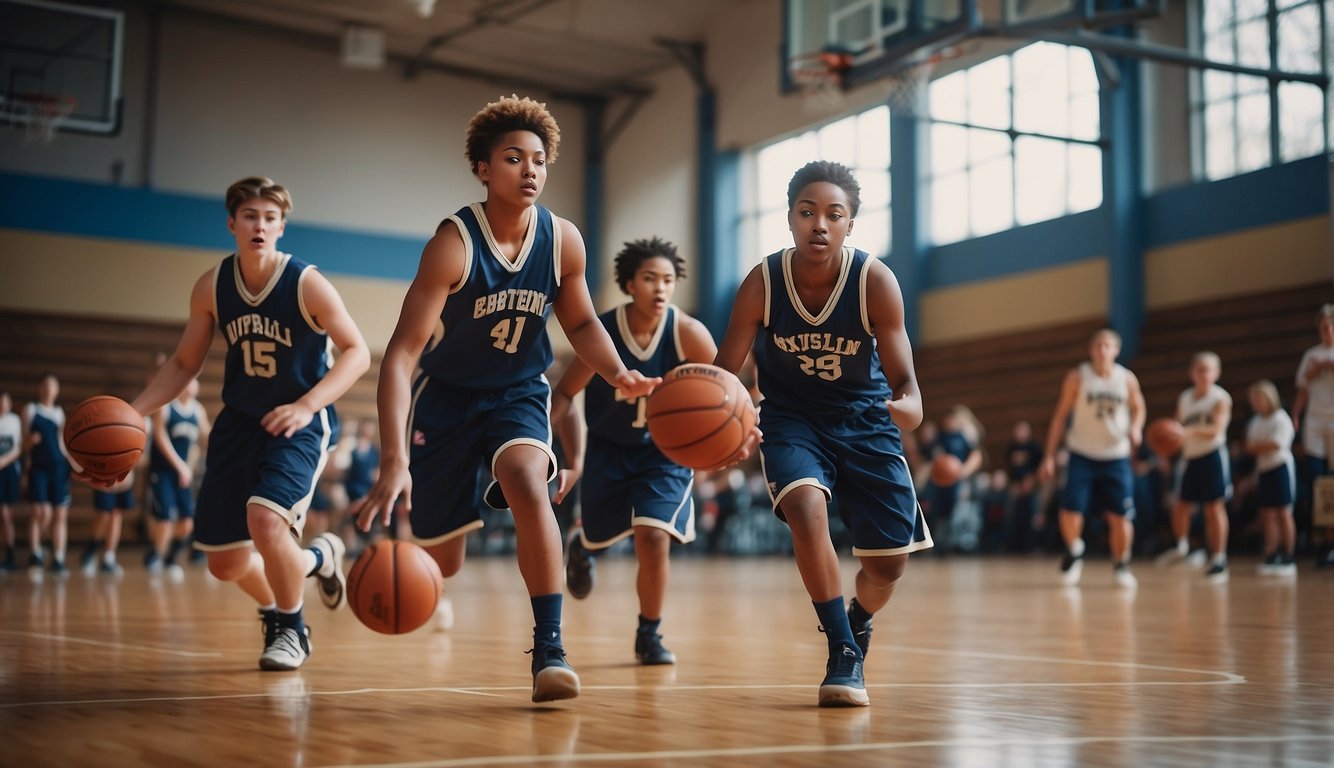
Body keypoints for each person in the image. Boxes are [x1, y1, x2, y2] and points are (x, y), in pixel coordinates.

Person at [355, 95, 658, 703]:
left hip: (518, 393)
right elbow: (400, 356)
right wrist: (393, 458)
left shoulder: (562, 240)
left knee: (526, 478)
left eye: (539, 160)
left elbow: (580, 325)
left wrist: (618, 372)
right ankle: (364, 560)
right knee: (442, 562)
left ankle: (550, 649)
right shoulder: (453, 243)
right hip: (444, 401)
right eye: (514, 158)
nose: (530, 170)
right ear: (483, 169)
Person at [108, 176, 369, 671]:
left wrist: (308, 405)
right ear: (232, 223)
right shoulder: (213, 285)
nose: (260, 225)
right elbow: (185, 364)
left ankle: (292, 630)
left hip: (299, 424)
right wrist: (132, 412)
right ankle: (316, 562)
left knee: (266, 522)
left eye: (270, 218)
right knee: (224, 562)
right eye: (250, 216)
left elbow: (356, 353)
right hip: (239, 423)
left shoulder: (305, 282)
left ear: (282, 227)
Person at [712, 160, 928, 708]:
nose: (820, 225)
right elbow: (723, 376)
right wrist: (719, 426)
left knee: (887, 568)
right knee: (806, 508)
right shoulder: (762, 283)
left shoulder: (874, 281)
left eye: (834, 214)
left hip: (865, 422)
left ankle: (858, 619)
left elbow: (909, 388)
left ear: (850, 225)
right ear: (789, 219)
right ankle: (842, 651)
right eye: (807, 212)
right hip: (790, 421)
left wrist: (905, 408)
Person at [551, 236, 717, 666]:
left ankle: (649, 633)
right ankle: (583, 550)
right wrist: (574, 459)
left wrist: (728, 436)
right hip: (609, 449)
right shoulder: (601, 332)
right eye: (649, 279)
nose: (660, 288)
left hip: (665, 454)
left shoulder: (689, 334)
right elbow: (564, 397)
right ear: (629, 284)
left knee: (654, 537)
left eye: (668, 280)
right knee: (600, 534)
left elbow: (727, 390)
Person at [1039, 329, 1146, 589]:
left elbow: (1139, 407)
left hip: (1116, 455)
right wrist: (1049, 456)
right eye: (1097, 345)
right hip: (1081, 453)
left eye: (1107, 346)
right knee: (1070, 510)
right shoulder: (1078, 377)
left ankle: (1121, 565)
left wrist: (1137, 427)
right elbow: (1060, 417)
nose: (1102, 350)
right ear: (1091, 350)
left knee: (1121, 516)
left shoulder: (1126, 379)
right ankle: (1075, 549)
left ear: (1116, 350)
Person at [1160, 352, 1233, 582]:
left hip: (1212, 456)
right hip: (1191, 458)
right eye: (1199, 369)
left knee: (1213, 508)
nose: (1203, 374)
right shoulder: (1185, 398)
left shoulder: (1220, 398)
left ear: (1217, 373)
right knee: (1181, 506)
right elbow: (1174, 427)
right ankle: (1181, 547)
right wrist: (1165, 445)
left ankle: (1219, 558)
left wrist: (1186, 432)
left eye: (1208, 369)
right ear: (1192, 373)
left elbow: (1216, 430)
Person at [146, 377, 210, 577]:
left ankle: (170, 558)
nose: (193, 384)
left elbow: (206, 439)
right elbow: (159, 437)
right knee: (165, 517)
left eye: (196, 381)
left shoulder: (198, 410)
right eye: (189, 380)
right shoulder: (166, 407)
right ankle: (155, 555)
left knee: (187, 522)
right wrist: (180, 466)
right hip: (163, 471)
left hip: (183, 473)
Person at [1292, 304, 1334, 566]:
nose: (1327, 331)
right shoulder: (1311, 355)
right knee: (1318, 481)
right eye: (1323, 327)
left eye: (1331, 326)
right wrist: (1296, 415)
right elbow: (1303, 389)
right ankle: (1324, 540)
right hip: (1316, 421)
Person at [1246, 379, 1296, 576]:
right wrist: (1262, 445)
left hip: (1280, 467)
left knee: (1283, 512)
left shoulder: (1281, 418)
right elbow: (1249, 447)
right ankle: (1271, 553)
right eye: (1254, 399)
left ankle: (1288, 554)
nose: (1256, 402)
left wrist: (1260, 446)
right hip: (1264, 469)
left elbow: (1277, 445)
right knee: (1267, 514)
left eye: (1259, 398)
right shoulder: (1256, 421)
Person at [25, 373, 71, 576]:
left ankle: (59, 557)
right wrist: (29, 441)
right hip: (39, 467)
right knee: (40, 513)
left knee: (60, 513)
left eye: (52, 385)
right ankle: (35, 553)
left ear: (57, 390)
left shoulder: (60, 413)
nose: (48, 389)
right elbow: (22, 443)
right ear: (40, 388)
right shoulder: (31, 410)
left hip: (59, 467)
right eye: (45, 385)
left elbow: (63, 443)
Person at [926, 405, 983, 553]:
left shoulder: (964, 437)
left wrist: (963, 471)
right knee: (939, 511)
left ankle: (959, 543)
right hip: (941, 482)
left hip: (960, 481)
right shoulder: (941, 437)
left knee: (958, 512)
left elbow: (976, 456)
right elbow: (935, 457)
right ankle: (938, 543)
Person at [83, 470, 138, 577]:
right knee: (104, 515)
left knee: (117, 515)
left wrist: (130, 468)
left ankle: (109, 558)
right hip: (103, 475)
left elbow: (142, 457)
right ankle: (91, 549)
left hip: (124, 477)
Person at [1004, 420, 1043, 552]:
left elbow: (1040, 468)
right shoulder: (1011, 448)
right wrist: (1014, 484)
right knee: (1012, 513)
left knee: (1033, 514)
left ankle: (1032, 545)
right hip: (1016, 485)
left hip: (1032, 486)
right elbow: (1009, 469)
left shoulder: (1034, 447)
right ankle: (1012, 545)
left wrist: (1032, 481)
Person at [0, 392, 21, 572]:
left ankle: (10, 555)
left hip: (8, 471)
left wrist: (3, 462)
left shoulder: (14, 420)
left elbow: (17, 448)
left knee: (6, 514)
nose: (3, 404)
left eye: (6, 401)